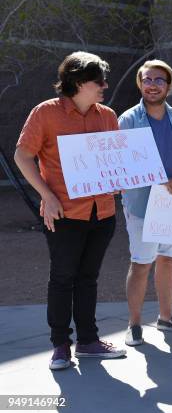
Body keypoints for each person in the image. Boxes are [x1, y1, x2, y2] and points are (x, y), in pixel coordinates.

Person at [14, 51, 126, 370]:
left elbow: (116, 162)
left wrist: (118, 179)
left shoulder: (107, 115)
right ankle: (60, 345)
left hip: (102, 213)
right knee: (63, 278)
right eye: (98, 81)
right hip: (63, 213)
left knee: (88, 278)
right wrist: (46, 196)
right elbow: (23, 156)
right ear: (77, 82)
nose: (105, 86)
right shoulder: (45, 113)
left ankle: (88, 341)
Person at [120, 60, 172, 346]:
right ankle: (133, 325)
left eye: (159, 80)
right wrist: (158, 179)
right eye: (147, 79)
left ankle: (166, 318)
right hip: (142, 203)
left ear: (168, 85)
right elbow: (124, 163)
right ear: (140, 84)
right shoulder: (128, 120)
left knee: (168, 260)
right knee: (142, 263)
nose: (152, 85)